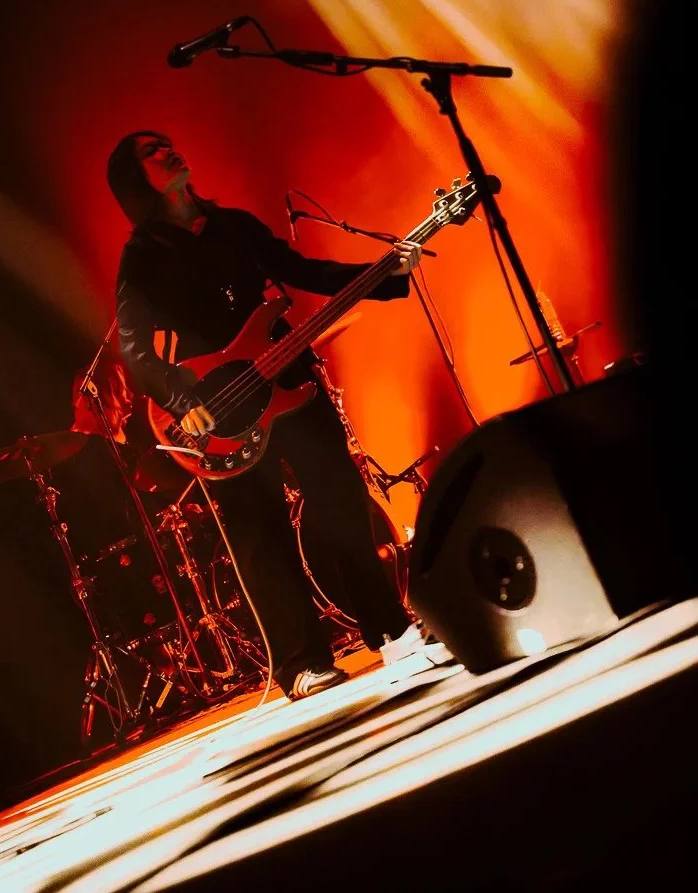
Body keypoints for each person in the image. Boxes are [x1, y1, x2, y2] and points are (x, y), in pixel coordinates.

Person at [107, 130, 451, 700]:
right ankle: (298, 665)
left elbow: (304, 271)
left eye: (167, 142)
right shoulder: (142, 255)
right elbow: (133, 345)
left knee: (342, 504)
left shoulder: (235, 226)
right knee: (258, 532)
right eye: (151, 150)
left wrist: (386, 271)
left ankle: (392, 633)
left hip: (288, 379)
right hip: (215, 409)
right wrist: (178, 396)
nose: (168, 148)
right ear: (133, 180)